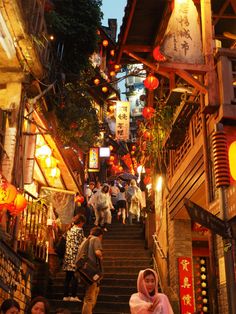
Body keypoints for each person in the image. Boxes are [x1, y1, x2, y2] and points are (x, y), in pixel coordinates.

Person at [62, 215, 86, 301]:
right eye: (83, 223)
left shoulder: (69, 230)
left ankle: (65, 296)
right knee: (75, 277)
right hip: (75, 257)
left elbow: (64, 238)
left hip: (68, 256)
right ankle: (73, 296)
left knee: (67, 278)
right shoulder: (79, 230)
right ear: (80, 222)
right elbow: (82, 242)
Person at [81, 226, 104, 314]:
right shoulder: (96, 239)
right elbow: (97, 252)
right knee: (89, 298)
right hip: (92, 272)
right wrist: (101, 256)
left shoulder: (86, 240)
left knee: (89, 297)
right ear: (100, 235)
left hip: (85, 272)